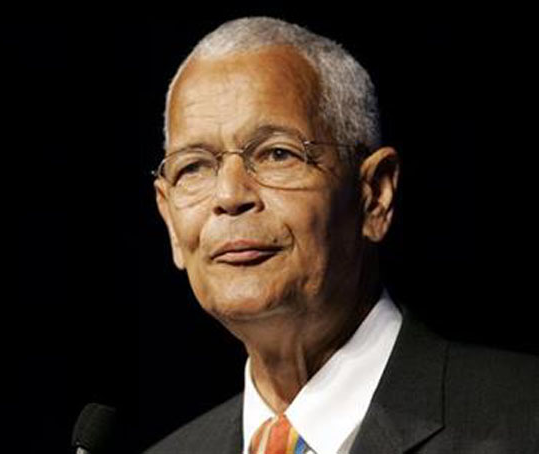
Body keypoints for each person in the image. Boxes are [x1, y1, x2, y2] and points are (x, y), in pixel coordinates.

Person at [144, 17, 539, 454]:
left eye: (277, 154)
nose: (229, 195)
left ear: (374, 196)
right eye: (194, 166)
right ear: (170, 221)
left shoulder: (525, 421)